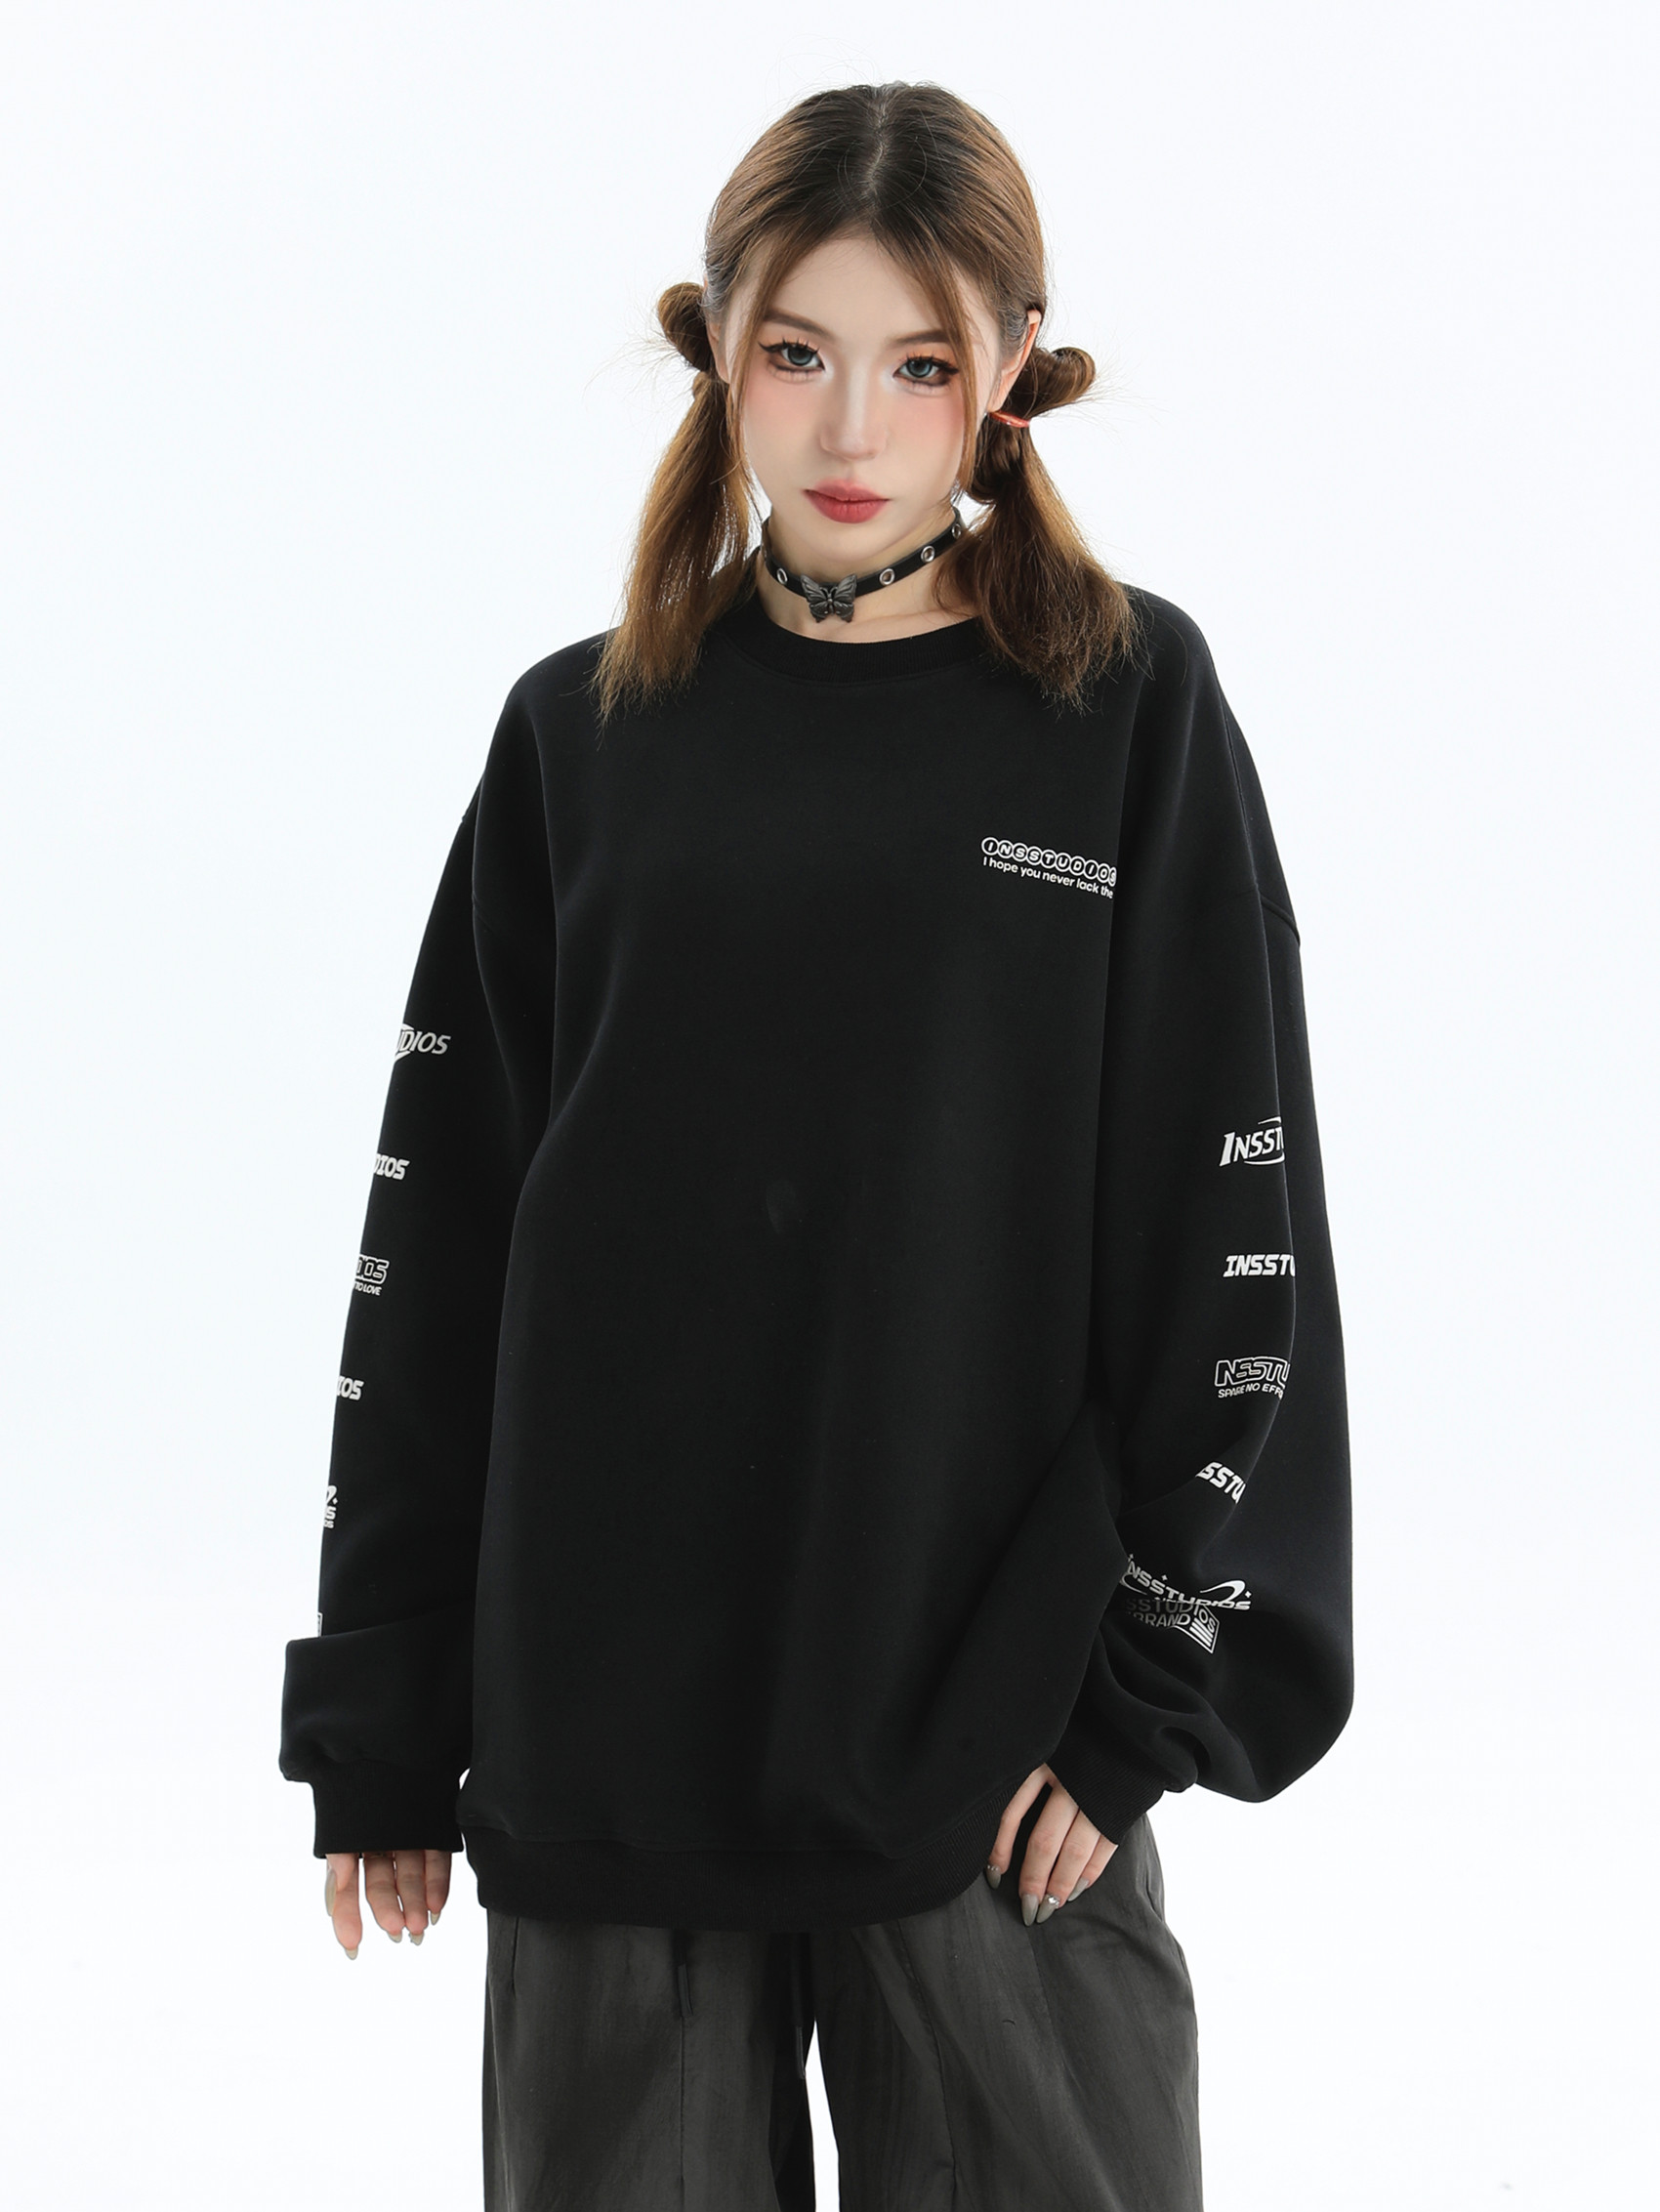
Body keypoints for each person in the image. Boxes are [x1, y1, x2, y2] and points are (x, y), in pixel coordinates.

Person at [279, 79, 1351, 2212]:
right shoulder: (577, 737)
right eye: (797, 351)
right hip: (607, 1729)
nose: (852, 425)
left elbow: (1232, 1238)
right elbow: (440, 1239)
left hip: (991, 1743)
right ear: (721, 351)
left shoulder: (1127, 710)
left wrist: (1142, 1694)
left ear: (1008, 377)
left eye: (920, 362)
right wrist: (383, 1707)